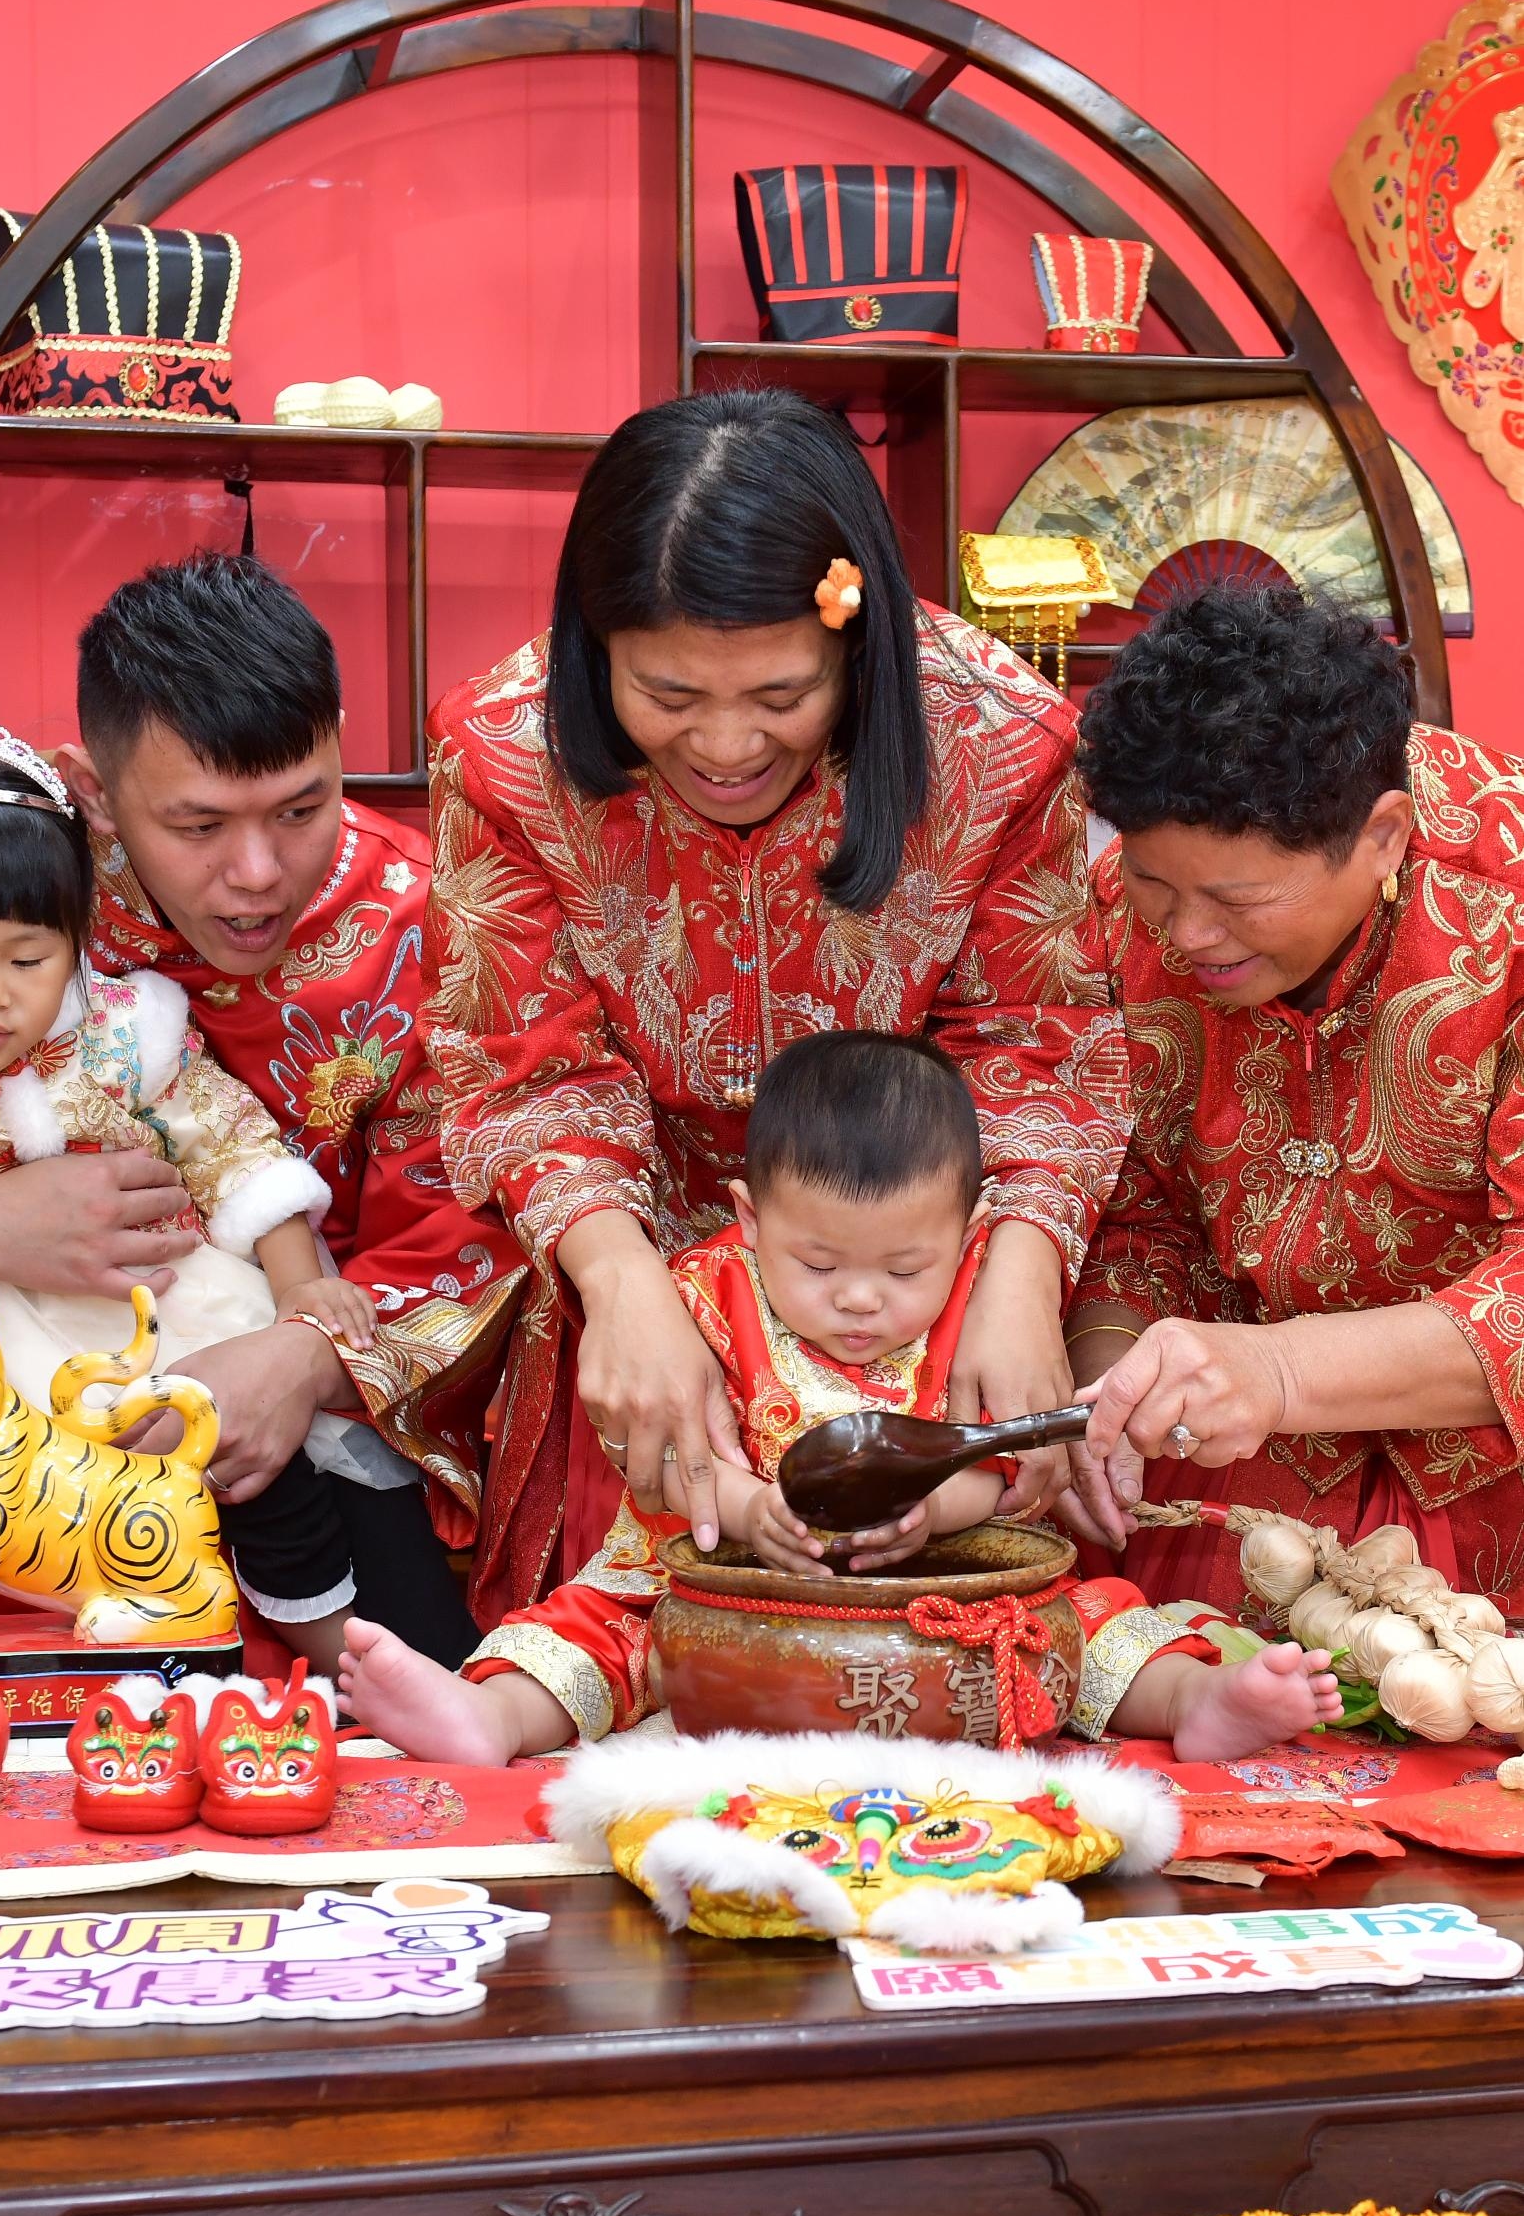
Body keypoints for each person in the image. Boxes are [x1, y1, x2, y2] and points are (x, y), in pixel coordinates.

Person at [423, 387, 1130, 1623]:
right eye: (671, 695)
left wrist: (1016, 1277)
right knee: (634, 1683)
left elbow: (1037, 1044)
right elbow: (528, 1065)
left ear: (858, 645)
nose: (729, 745)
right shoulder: (502, 753)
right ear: (597, 647)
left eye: (782, 695)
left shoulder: (998, 740)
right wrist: (630, 1292)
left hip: (917, 1288)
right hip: (643, 1291)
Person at [0, 555, 525, 1663]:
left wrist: (299, 1358)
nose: (258, 871)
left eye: (301, 806)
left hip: (283, 1401)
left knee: (403, 1650)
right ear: (92, 787)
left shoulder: (429, 930)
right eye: (198, 825)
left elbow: (471, 1222)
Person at [339, 1032, 1337, 1763]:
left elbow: (1007, 1469)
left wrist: (934, 1507)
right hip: (720, 1580)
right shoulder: (703, 1294)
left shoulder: (989, 1301)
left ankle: (1201, 1702)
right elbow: (661, 1452)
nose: (860, 1301)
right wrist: (743, 1508)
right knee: (599, 1628)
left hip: (941, 1585)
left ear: (971, 1231)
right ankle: (489, 1719)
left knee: (1076, 1623)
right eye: (814, 1262)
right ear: (749, 1216)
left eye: (906, 1268)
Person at [0, 721, 382, 1670]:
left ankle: (347, 1660)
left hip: (166, 1314)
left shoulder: (123, 1037)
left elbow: (232, 1144)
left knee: (257, 1468)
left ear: (78, 935)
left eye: (27, 960)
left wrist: (299, 1285)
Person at [1060, 583, 1524, 1608]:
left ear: (1385, 837)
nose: (1183, 937)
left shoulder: (1512, 895)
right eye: (1151, 882)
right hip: (1224, 1491)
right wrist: (1110, 1386)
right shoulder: (1116, 918)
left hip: (1494, 1492)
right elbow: (1134, 1212)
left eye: (1238, 900)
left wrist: (1277, 1374)